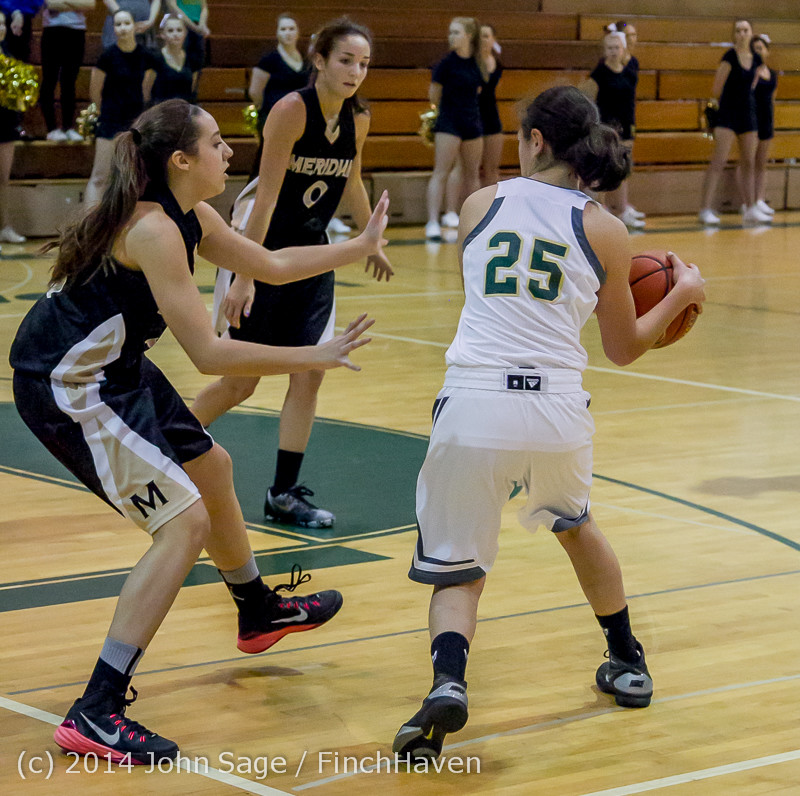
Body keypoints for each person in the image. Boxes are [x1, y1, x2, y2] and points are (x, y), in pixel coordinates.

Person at [9, 98, 389, 763]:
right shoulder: (153, 229)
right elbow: (211, 355)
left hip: (114, 366)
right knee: (182, 523)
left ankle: (257, 608)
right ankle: (96, 708)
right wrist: (311, 356)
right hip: (67, 383)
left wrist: (355, 247)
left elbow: (268, 266)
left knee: (211, 467)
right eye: (216, 142)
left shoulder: (194, 215)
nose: (229, 150)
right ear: (181, 160)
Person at [392, 85, 706, 761]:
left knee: (458, 571)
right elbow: (624, 347)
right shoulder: (607, 229)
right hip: (556, 410)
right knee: (576, 526)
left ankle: (449, 680)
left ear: (535, 139)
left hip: (474, 401)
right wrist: (681, 292)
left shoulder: (479, 203)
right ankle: (627, 659)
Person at [193, 17, 393, 529]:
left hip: (311, 254)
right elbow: (265, 194)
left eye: (364, 64)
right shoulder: (290, 110)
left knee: (310, 375)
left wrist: (372, 236)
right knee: (242, 383)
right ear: (319, 60)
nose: (355, 72)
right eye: (346, 60)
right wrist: (244, 273)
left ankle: (282, 494)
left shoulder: (358, 118)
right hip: (260, 247)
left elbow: (349, 177)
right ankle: (163, 449)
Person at [698, 20, 771, 226]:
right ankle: (705, 209)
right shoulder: (729, 57)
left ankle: (750, 207)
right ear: (734, 34)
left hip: (748, 115)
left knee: (749, 161)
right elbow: (716, 89)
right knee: (719, 161)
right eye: (738, 30)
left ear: (751, 33)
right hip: (728, 114)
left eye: (745, 30)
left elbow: (755, 85)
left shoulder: (756, 58)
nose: (742, 34)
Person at [85, 9, 157, 207]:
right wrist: (106, 113)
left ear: (135, 26)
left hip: (135, 122)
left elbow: (147, 91)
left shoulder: (146, 56)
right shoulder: (107, 57)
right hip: (110, 120)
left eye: (126, 23)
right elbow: (95, 91)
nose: (122, 28)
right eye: (118, 24)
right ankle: (89, 229)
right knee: (100, 177)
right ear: (114, 29)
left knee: (137, 178)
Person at [425, 17, 484, 240]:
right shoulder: (445, 64)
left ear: (469, 35)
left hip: (472, 121)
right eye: (450, 32)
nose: (451, 37)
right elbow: (433, 95)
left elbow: (479, 90)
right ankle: (432, 221)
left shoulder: (477, 63)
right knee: (441, 171)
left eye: (456, 32)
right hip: (449, 121)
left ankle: (476, 221)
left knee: (472, 174)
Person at [581, 26, 643, 229]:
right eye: (609, 47)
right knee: (602, 167)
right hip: (605, 127)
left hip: (626, 124)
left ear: (623, 49)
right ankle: (600, 207)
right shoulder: (599, 73)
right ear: (604, 50)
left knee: (623, 167)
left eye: (617, 47)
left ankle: (623, 208)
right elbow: (587, 98)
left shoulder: (631, 69)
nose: (614, 51)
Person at [247, 12, 310, 182]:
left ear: (297, 32)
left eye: (291, 28)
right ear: (277, 33)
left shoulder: (306, 61)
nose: (287, 32)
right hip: (272, 118)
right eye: (283, 29)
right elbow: (255, 91)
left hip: (298, 119)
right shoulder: (269, 60)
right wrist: (268, 111)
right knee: (266, 162)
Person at [40, 0, 95, 143]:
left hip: (77, 32)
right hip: (52, 31)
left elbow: (90, 4)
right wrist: (76, 2)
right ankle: (51, 128)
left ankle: (68, 127)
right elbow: (51, 4)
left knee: (69, 81)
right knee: (49, 80)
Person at [736, 34, 777, 218]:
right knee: (747, 162)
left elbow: (772, 100)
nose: (758, 51)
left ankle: (759, 199)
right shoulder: (749, 72)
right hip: (750, 119)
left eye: (761, 48)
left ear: (767, 51)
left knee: (761, 162)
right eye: (755, 48)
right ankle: (747, 202)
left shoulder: (773, 74)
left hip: (766, 120)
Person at [0, 10, 25, 245]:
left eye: (2, 24)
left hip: (6, 124)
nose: (1, 28)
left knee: (3, 180)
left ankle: (4, 226)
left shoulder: (8, 53)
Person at [150, 13, 196, 104]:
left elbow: (192, 89)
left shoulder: (191, 59)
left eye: (179, 30)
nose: (175, 34)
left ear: (185, 33)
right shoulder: (155, 58)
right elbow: (146, 92)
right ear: (162, 34)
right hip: (161, 111)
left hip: (185, 111)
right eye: (170, 31)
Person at [478, 23, 503, 188]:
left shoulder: (498, 64)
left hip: (491, 116)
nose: (483, 39)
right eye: (480, 36)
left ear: (493, 39)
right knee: (469, 170)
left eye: (487, 35)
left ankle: (492, 208)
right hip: (471, 116)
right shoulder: (469, 63)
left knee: (492, 169)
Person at [165, 0, 207, 73]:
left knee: (197, 62)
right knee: (181, 62)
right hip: (180, 25)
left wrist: (202, 24)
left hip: (197, 28)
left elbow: (204, 8)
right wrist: (193, 26)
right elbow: (173, 6)